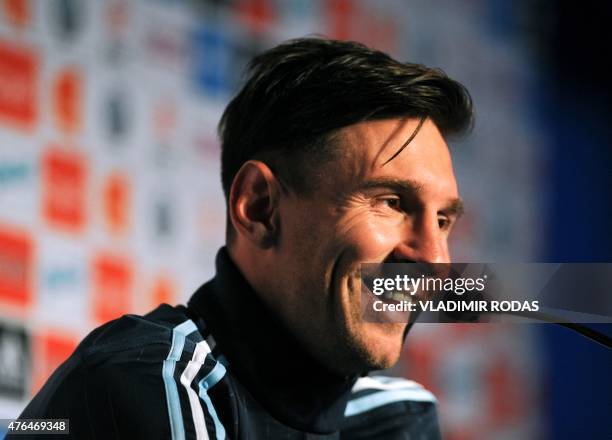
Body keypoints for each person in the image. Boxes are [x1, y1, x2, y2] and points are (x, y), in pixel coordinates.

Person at [12, 38, 473, 439]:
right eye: (391, 202)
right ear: (259, 207)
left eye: (444, 221)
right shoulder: (149, 379)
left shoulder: (397, 416)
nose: (435, 260)